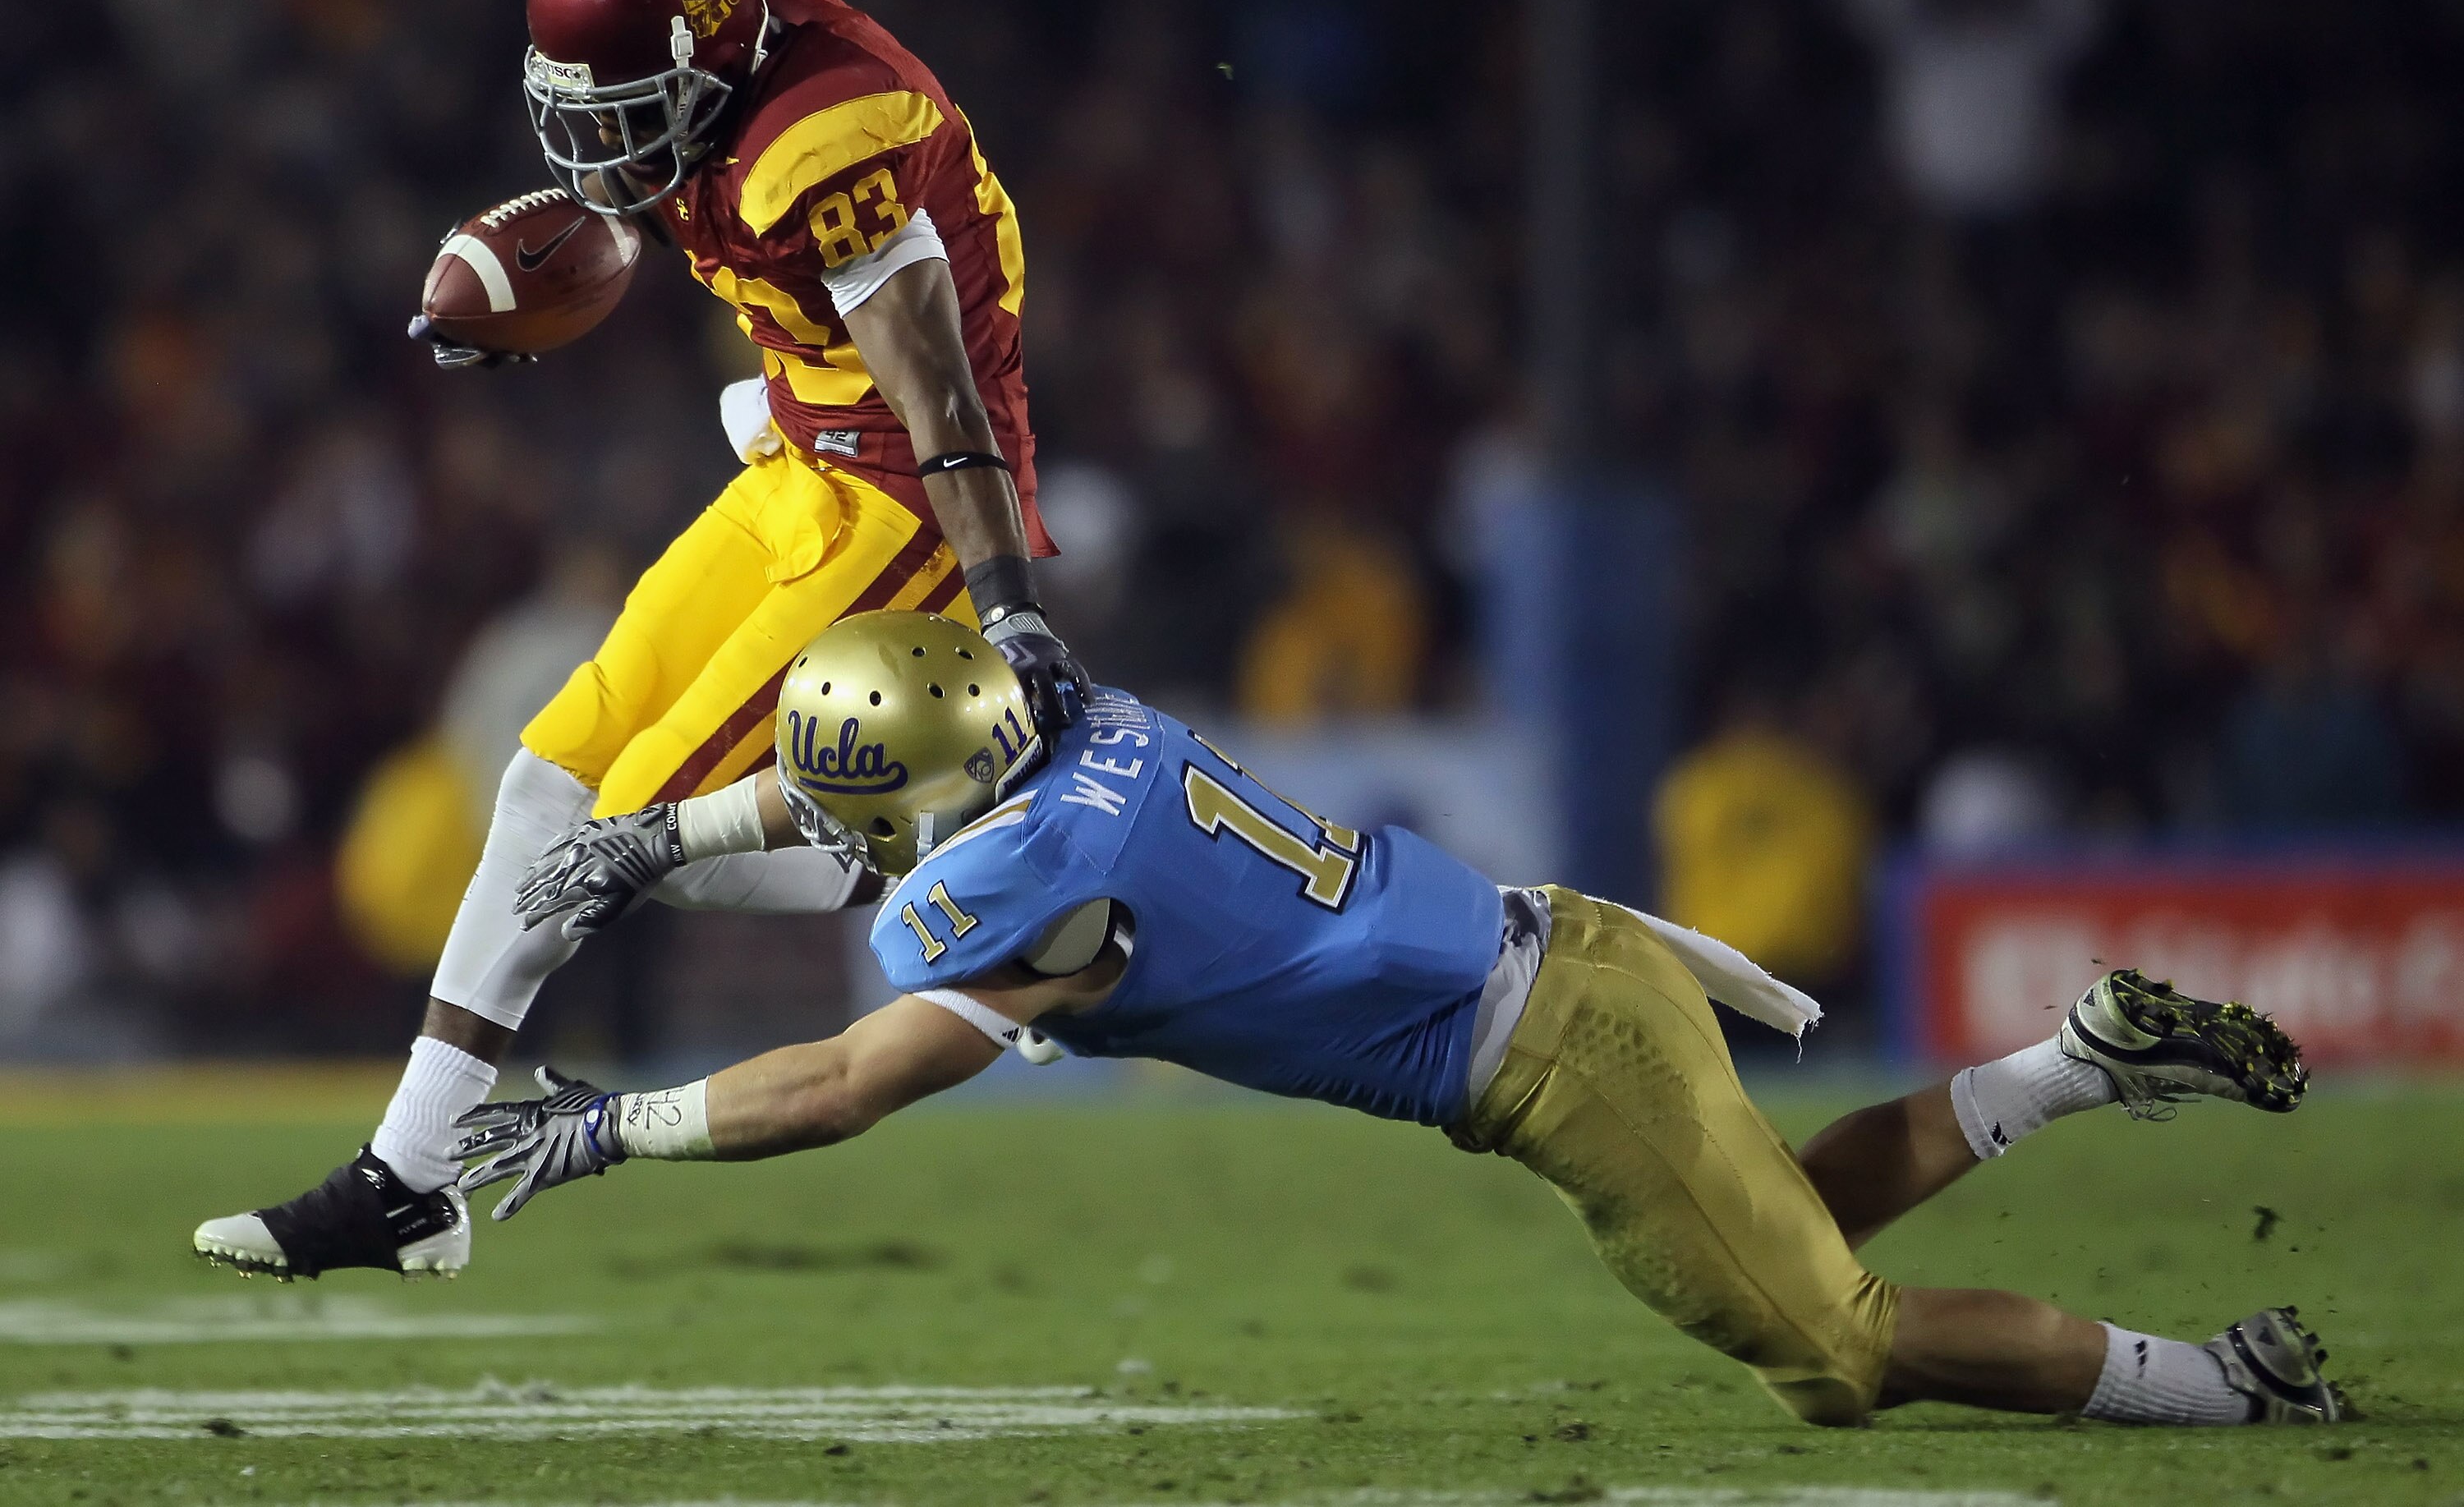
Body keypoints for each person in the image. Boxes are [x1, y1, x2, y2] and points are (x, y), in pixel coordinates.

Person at [453, 611, 2333, 1429]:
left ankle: (2221, 1382)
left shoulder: (996, 888)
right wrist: (659, 839)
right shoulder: (1073, 715)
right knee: (1780, 1222)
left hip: (1552, 1059)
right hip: (1562, 946)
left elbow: (847, 1084)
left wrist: (610, 1125)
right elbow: (900, 756)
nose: (828, 824)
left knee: (1836, 1351)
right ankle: (2077, 1061)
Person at [193, 0, 1089, 1282]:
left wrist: (1010, 605)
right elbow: (658, 202)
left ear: (708, 66)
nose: (593, 144)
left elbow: (945, 400)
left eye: (621, 111)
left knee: (637, 834)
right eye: (579, 110)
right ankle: (407, 1179)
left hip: (903, 484)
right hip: (802, 449)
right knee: (546, 782)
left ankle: (975, 840)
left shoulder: (822, 138)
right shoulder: (707, 59)